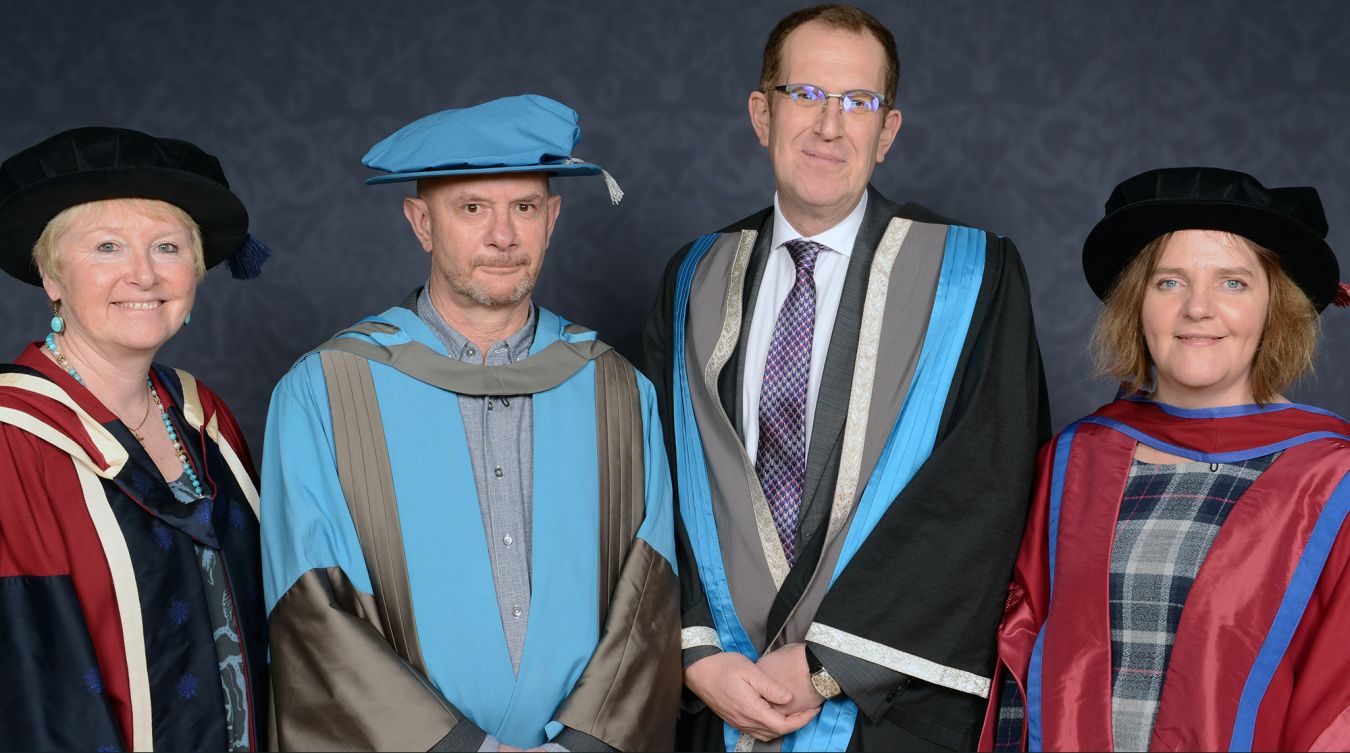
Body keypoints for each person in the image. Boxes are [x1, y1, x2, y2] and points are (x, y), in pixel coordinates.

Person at [641, 4, 1049, 751]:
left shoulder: (971, 275)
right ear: (762, 114)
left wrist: (829, 660)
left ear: (886, 132)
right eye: (806, 95)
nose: (830, 126)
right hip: (725, 699)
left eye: (858, 102)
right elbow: (655, 479)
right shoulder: (696, 277)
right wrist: (696, 652)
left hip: (891, 713)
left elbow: (985, 488)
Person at [262, 94, 679, 752]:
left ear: (554, 218)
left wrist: (581, 745)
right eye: (472, 208)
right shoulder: (325, 393)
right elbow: (310, 613)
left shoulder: (616, 389)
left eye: (526, 208)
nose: (503, 236)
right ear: (421, 223)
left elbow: (650, 601)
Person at [983, 166, 1350, 752]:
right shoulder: (1075, 461)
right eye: (1169, 282)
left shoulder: (1331, 482)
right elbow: (1015, 670)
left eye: (1232, 283)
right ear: (1138, 304)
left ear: (1274, 309)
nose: (1197, 308)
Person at [0, 126, 271, 751]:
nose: (144, 275)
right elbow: (25, 671)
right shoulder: (16, 438)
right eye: (107, 247)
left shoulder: (205, 417)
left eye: (168, 247)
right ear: (53, 278)